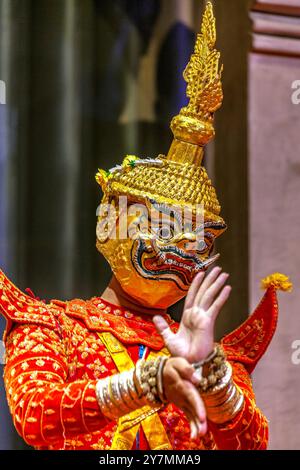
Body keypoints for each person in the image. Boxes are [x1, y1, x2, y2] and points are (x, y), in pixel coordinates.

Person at [0, 2, 291, 450]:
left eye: (200, 240)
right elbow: (37, 414)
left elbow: (251, 444)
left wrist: (211, 376)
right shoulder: (52, 328)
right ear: (110, 224)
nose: (182, 250)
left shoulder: (210, 356)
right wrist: (147, 380)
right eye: (166, 225)